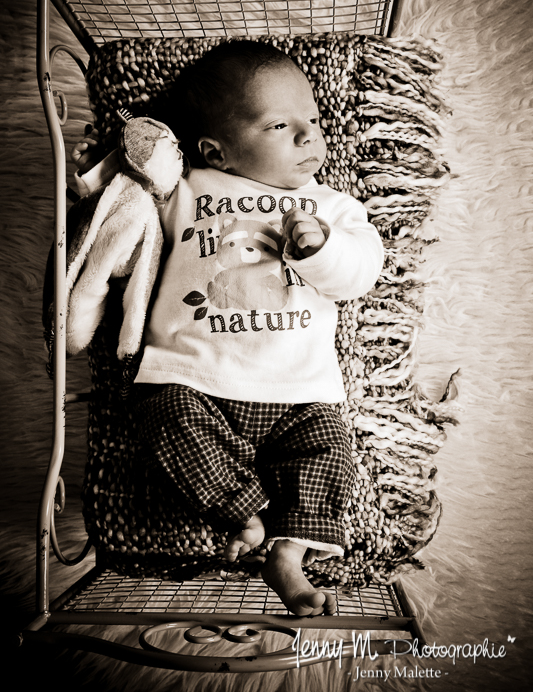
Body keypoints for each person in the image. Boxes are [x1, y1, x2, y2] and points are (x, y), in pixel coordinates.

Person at [72, 40, 384, 616]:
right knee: (160, 415)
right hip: (192, 374)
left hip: (298, 391)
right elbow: (131, 211)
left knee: (332, 450)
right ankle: (243, 511)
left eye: (312, 120)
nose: (308, 137)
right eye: (279, 126)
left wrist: (321, 249)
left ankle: (287, 552)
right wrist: (110, 174)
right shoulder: (189, 189)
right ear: (217, 150)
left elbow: (362, 272)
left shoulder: (331, 207)